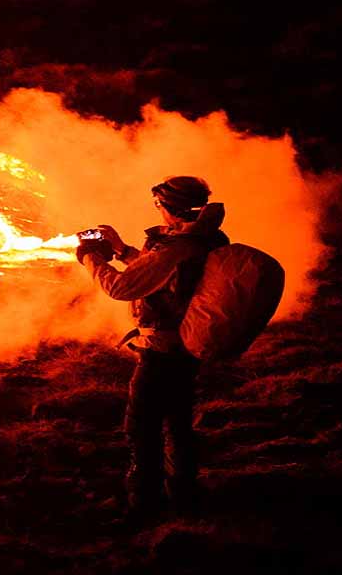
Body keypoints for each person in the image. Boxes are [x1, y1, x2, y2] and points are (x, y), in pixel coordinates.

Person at [76, 176, 229, 521]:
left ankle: (143, 504)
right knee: (177, 423)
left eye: (157, 204)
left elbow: (121, 287)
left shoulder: (175, 247)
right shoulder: (200, 239)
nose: (156, 211)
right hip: (186, 347)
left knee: (141, 427)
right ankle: (183, 495)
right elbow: (160, 275)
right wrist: (120, 250)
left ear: (169, 207)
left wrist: (89, 258)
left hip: (162, 351)